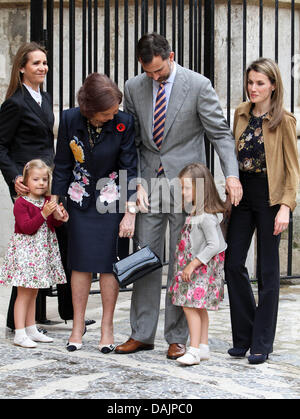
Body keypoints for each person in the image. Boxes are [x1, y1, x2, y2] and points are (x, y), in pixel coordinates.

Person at [115, 33, 242, 359]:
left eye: (159, 71)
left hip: (189, 190)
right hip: (148, 187)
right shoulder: (132, 87)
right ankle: (141, 334)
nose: (154, 78)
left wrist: (230, 175)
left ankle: (177, 337)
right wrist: (133, 188)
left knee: (183, 263)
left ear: (170, 55)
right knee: (145, 260)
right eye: (149, 73)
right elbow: (130, 143)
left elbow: (220, 134)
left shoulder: (199, 85)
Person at [51, 72, 137, 353]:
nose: (113, 117)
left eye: (115, 111)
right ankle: (77, 326)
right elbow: (62, 162)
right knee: (80, 263)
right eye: (107, 113)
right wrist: (56, 201)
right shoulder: (69, 119)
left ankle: (107, 326)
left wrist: (130, 210)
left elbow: (129, 168)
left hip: (111, 201)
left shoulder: (124, 123)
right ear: (89, 109)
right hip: (80, 200)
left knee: (109, 263)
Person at [225, 58, 300, 364]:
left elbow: (293, 170)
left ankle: (261, 343)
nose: (253, 88)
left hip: (271, 198)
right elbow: (232, 154)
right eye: (250, 82)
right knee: (232, 264)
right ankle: (244, 336)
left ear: (273, 86)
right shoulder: (241, 113)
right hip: (243, 195)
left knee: (268, 272)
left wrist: (286, 207)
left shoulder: (284, 120)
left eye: (260, 83)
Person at [0, 42, 74, 329]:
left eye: (44, 62)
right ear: (22, 68)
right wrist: (13, 176)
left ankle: (38, 316)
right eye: (36, 63)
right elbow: (1, 145)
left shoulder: (44, 98)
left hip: (46, 181)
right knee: (32, 249)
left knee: (48, 244)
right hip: (26, 186)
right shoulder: (15, 103)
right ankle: (19, 320)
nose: (43, 67)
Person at [0, 159, 68, 348]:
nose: (41, 183)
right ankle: (19, 333)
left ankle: (31, 329)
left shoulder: (47, 201)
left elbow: (52, 225)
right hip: (26, 255)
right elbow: (27, 227)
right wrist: (43, 214)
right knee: (23, 294)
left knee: (34, 292)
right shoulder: (21, 203)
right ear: (26, 181)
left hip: (41, 254)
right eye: (36, 179)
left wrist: (59, 217)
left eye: (44, 180)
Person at [168, 163, 227, 366]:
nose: (182, 191)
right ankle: (203, 347)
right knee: (198, 308)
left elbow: (214, 245)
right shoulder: (196, 211)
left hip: (199, 270)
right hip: (194, 268)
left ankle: (193, 350)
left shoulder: (207, 217)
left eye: (186, 187)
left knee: (189, 306)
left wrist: (192, 264)